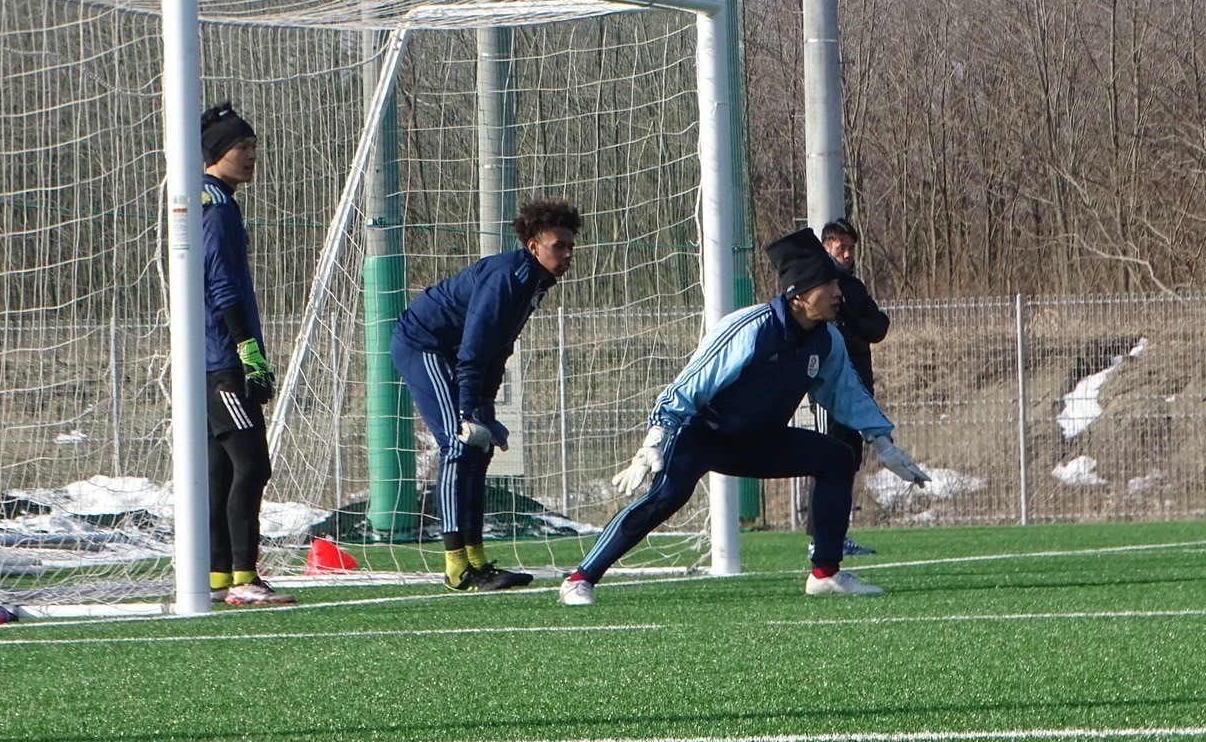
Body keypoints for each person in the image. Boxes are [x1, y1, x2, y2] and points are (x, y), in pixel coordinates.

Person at [559, 227, 930, 606]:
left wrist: (884, 445)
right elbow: (689, 386)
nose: (839, 293)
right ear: (800, 294)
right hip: (702, 436)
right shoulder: (750, 329)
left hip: (761, 440)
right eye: (829, 285)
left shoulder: (827, 339)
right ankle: (580, 578)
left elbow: (849, 396)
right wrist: (653, 442)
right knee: (666, 498)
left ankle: (825, 573)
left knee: (836, 457)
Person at [391, 198, 581, 592]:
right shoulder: (506, 277)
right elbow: (474, 349)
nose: (567, 254)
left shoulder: (534, 281)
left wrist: (487, 408)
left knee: (481, 450)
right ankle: (456, 568)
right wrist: (466, 412)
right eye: (558, 246)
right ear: (534, 246)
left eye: (570, 246)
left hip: (455, 354)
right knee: (458, 444)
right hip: (423, 345)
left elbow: (499, 349)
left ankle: (477, 562)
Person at [201, 101, 294, 606]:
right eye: (242, 146)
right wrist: (248, 351)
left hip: (211, 359)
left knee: (221, 470)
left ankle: (219, 577)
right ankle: (242, 575)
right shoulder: (216, 207)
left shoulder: (213, 199)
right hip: (221, 362)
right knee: (253, 465)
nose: (252, 155)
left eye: (255, 146)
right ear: (217, 152)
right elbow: (222, 285)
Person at [807, 218, 889, 558]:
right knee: (827, 460)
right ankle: (820, 538)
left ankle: (837, 535)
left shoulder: (853, 288)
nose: (847, 254)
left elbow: (878, 326)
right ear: (826, 247)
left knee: (848, 461)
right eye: (841, 247)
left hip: (858, 387)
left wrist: (852, 323)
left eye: (851, 248)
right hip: (830, 391)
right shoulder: (814, 287)